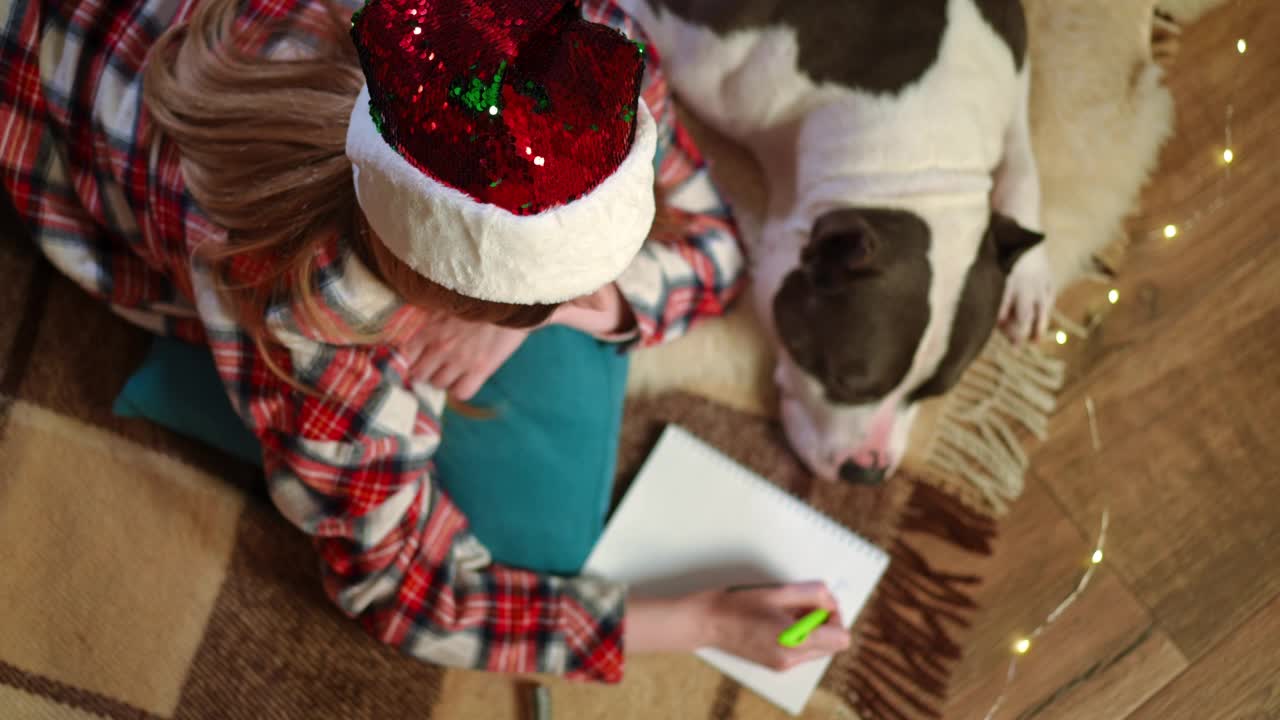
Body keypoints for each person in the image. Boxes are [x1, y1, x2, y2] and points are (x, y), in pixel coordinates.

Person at [0, 0, 851, 680]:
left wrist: (566, 303)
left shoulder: (570, 50)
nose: (601, 297)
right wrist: (704, 621)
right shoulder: (316, 347)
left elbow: (717, 251)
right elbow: (402, 591)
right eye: (574, 289)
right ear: (449, 305)